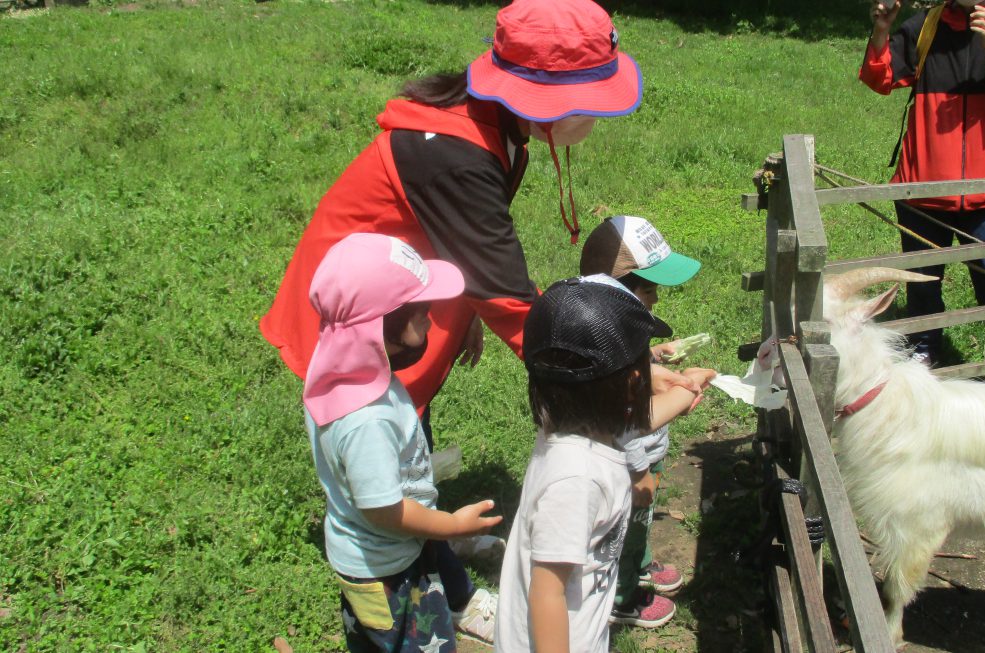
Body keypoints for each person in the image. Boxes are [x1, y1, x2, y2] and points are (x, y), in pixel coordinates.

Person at [260, 0, 667, 640]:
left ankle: (433, 542)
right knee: (387, 443)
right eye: (585, 98)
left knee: (406, 436)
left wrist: (469, 305)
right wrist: (601, 363)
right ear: (537, 91)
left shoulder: (497, 127)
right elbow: (508, 295)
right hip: (364, 312)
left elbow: (476, 255)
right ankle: (436, 576)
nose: (592, 115)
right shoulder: (457, 152)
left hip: (412, 294)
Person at [303, 233, 503, 652]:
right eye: (422, 312)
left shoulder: (338, 372)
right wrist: (451, 526)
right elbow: (384, 510)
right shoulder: (366, 419)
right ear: (379, 325)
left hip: (374, 559)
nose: (431, 321)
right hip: (389, 573)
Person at [495, 275, 709, 652]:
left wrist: (684, 390)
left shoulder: (567, 420)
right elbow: (547, 594)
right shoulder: (577, 480)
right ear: (633, 383)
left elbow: (636, 420)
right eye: (647, 358)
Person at [859, 0, 985, 367]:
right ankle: (922, 354)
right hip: (921, 192)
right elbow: (878, 78)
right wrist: (881, 31)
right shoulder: (924, 26)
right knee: (922, 285)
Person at [579, 215, 714, 628]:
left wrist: (655, 358)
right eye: (650, 288)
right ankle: (622, 597)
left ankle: (639, 562)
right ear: (620, 290)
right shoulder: (608, 343)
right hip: (628, 461)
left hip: (644, 454)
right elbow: (623, 422)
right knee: (624, 523)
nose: (656, 299)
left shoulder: (617, 330)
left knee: (638, 523)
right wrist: (639, 471)